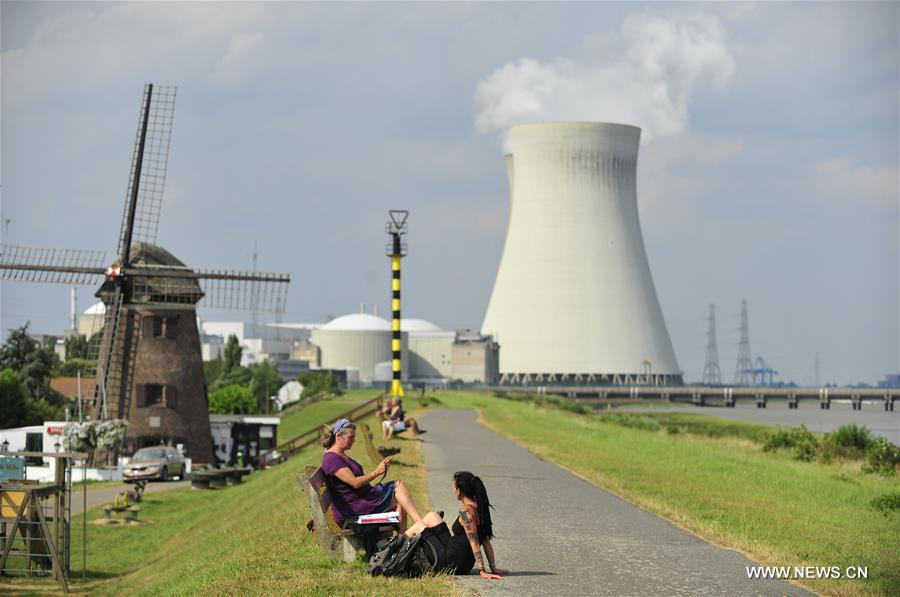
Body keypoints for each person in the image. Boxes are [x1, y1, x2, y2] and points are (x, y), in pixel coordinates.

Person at [320, 418, 424, 530]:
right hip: (356, 510)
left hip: (364, 500)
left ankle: (410, 535)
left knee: (399, 489)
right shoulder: (332, 459)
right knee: (399, 491)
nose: (354, 440)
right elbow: (354, 483)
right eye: (351, 437)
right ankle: (419, 527)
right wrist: (376, 472)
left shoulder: (339, 455)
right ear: (338, 436)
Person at [404, 471, 510, 579]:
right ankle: (396, 547)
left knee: (419, 526)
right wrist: (493, 567)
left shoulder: (465, 513)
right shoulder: (479, 508)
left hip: (451, 563)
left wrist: (482, 570)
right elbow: (486, 541)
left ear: (459, 491)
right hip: (463, 561)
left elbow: (474, 542)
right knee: (432, 516)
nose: (453, 491)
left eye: (454, 488)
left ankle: (394, 550)